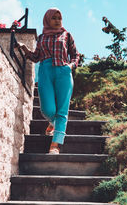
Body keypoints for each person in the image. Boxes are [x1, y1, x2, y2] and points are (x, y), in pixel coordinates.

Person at [18, 8, 80, 154]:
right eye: (54, 18)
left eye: (59, 18)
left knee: (62, 110)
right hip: (46, 71)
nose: (57, 21)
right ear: (47, 20)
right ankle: (52, 123)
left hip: (63, 72)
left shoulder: (67, 35)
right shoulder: (41, 38)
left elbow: (75, 55)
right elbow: (36, 57)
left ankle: (55, 144)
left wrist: (70, 66)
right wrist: (26, 50)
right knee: (47, 109)